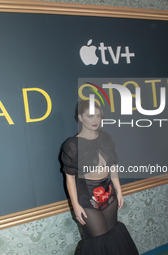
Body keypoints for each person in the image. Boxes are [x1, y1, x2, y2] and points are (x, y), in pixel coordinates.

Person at [60, 100, 139, 255]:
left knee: (113, 235)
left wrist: (119, 191)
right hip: (87, 199)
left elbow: (112, 166)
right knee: (98, 242)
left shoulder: (106, 138)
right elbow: (69, 178)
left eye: (98, 115)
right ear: (80, 118)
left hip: (109, 194)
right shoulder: (71, 144)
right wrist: (75, 205)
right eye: (90, 116)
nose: (95, 120)